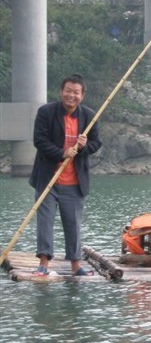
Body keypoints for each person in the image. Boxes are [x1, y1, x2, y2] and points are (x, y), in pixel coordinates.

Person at [30, 74, 102, 276]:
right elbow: (39, 140)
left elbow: (97, 143)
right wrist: (62, 153)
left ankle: (76, 265)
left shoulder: (89, 116)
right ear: (61, 92)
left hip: (74, 182)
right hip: (48, 180)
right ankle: (44, 263)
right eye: (68, 91)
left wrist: (82, 147)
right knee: (45, 222)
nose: (71, 95)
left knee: (73, 224)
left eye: (76, 92)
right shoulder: (46, 112)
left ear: (82, 95)